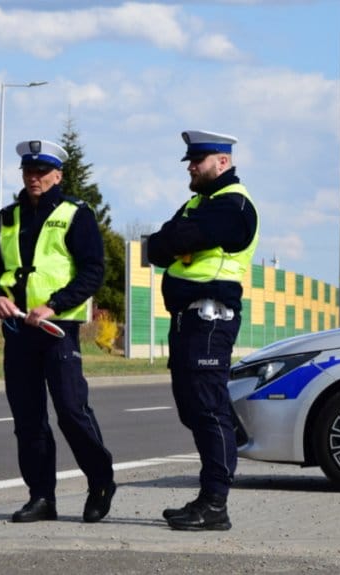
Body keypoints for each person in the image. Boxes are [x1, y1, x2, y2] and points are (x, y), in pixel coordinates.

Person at [0, 139, 115, 524]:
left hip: (58, 328)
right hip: (18, 329)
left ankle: (101, 482)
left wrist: (53, 304)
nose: (34, 178)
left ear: (58, 175)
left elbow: (92, 271)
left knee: (71, 410)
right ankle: (42, 497)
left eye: (41, 172)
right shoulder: (7, 217)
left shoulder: (76, 214)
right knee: (28, 417)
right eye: (28, 171)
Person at [146, 130, 259, 531]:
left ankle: (216, 504)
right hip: (187, 321)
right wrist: (178, 241)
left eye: (198, 161)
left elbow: (182, 237)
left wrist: (180, 240)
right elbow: (157, 247)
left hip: (212, 320)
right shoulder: (198, 203)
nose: (191, 167)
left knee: (208, 409)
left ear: (222, 162)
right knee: (193, 408)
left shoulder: (234, 205)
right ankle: (209, 492)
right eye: (190, 161)